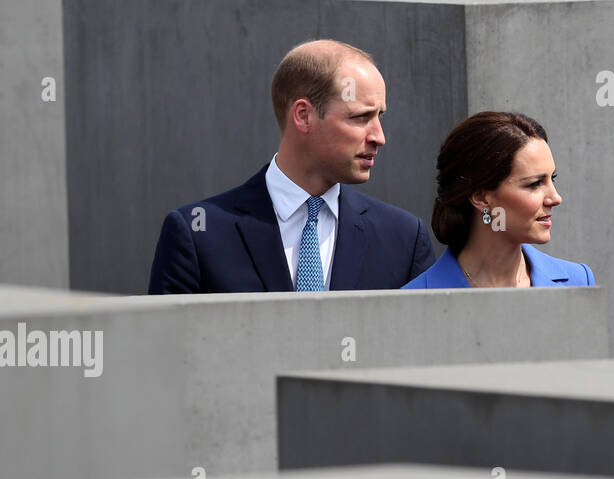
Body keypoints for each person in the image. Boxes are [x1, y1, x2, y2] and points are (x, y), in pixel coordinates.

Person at [148, 40, 435, 294]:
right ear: (303, 115)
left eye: (379, 116)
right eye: (360, 117)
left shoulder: (403, 239)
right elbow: (168, 349)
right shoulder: (198, 235)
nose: (379, 137)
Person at [404, 111, 593, 289]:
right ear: (481, 197)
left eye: (552, 179)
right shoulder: (414, 301)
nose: (555, 198)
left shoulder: (577, 281)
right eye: (535, 184)